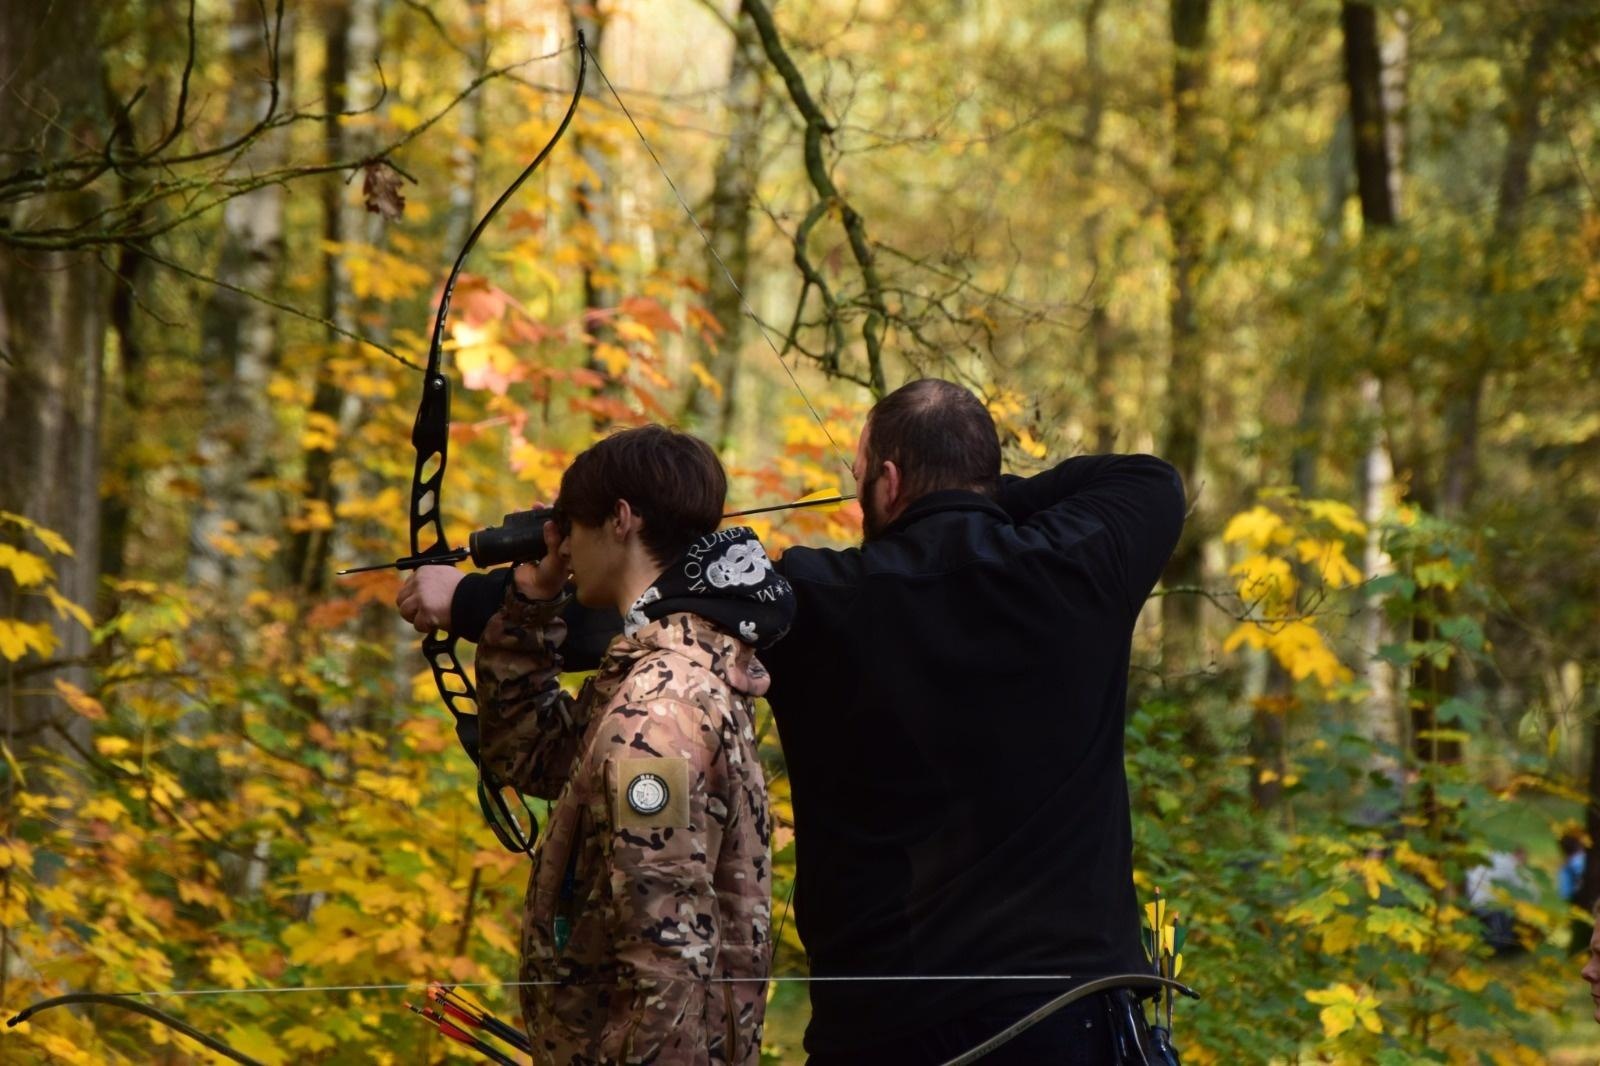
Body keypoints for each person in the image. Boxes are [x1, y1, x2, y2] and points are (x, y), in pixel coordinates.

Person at [402, 380, 1186, 1063]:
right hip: (1074, 1015)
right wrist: (970, 502)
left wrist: (470, 601)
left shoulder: (815, 598)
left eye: (861, 480)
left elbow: (642, 614)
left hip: (886, 1032)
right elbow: (1146, 478)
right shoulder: (1084, 560)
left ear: (884, 481)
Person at [433, 425, 794, 1065]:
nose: (563, 547)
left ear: (620, 520)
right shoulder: (659, 669)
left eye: (570, 526)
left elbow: (666, 957)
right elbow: (535, 756)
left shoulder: (660, 713)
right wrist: (530, 605)